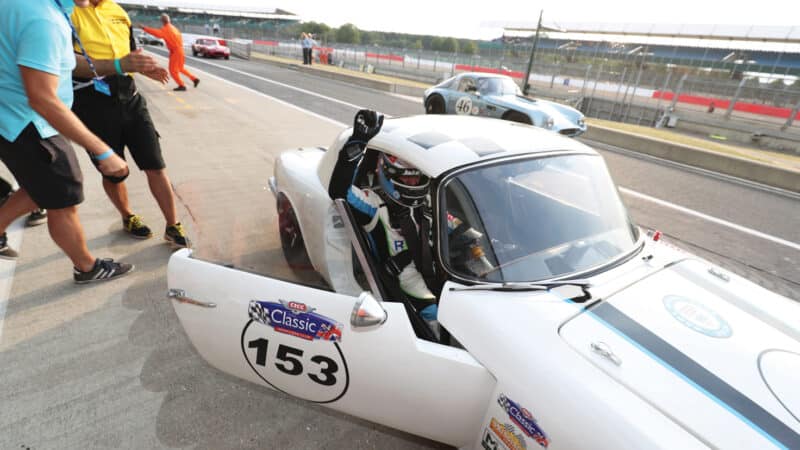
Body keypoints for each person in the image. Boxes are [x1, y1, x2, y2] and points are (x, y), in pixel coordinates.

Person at [0, 0, 134, 282]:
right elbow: (42, 98)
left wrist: (119, 64)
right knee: (63, 199)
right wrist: (102, 150)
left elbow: (63, 62)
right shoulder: (44, 20)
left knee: (39, 187)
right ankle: (87, 267)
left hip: (10, 116)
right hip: (31, 123)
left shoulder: (22, 5)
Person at [71, 0, 191, 248]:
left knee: (155, 165)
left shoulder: (117, 11)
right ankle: (128, 216)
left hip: (131, 99)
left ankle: (173, 225)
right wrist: (117, 66)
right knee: (114, 172)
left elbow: (130, 53)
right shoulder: (68, 12)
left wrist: (147, 69)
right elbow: (68, 64)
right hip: (92, 105)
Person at [328, 111, 439, 323]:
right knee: (441, 320)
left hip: (441, 274)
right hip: (410, 289)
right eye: (408, 179)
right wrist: (358, 142)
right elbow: (340, 192)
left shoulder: (431, 199)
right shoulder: (374, 205)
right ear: (387, 173)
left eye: (418, 179)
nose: (414, 184)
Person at [138, 14, 199, 91]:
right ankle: (194, 79)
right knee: (180, 68)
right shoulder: (174, 28)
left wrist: (144, 28)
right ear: (169, 20)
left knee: (172, 70)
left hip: (175, 51)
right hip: (180, 50)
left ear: (162, 21)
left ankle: (182, 85)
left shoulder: (166, 29)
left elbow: (156, 33)